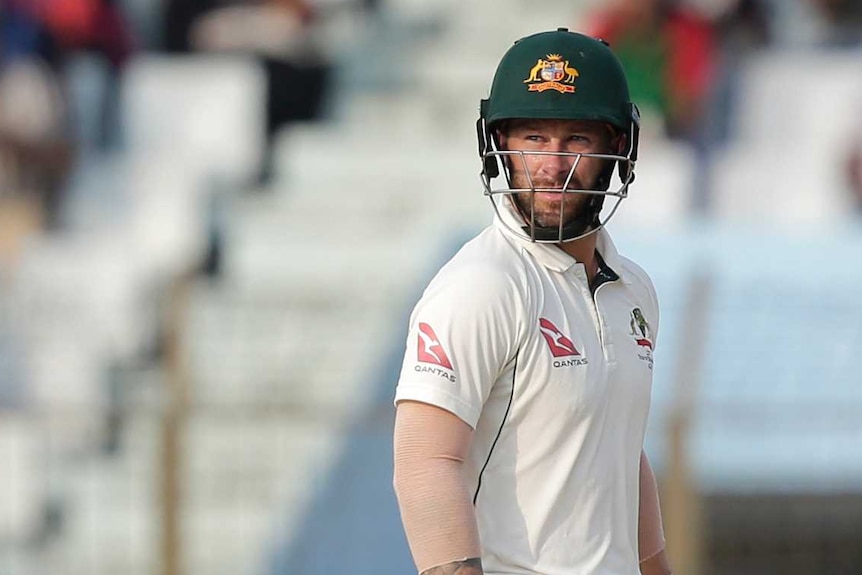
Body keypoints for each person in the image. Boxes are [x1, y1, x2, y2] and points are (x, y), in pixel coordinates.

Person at [392, 29, 672, 575]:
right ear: (499, 146)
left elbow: (617, 451)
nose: (551, 164)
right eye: (533, 138)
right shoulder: (482, 284)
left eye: (576, 139)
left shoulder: (633, 289)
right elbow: (424, 462)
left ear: (619, 147)